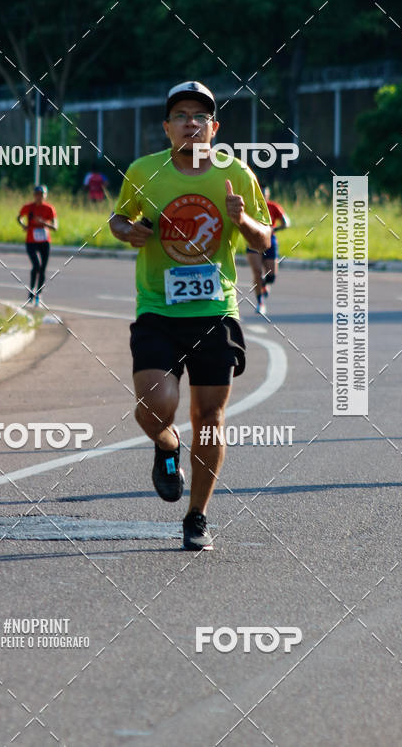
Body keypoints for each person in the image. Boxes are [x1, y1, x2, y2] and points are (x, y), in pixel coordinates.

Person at [109, 81, 271, 551]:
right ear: (166, 127)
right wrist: (128, 232)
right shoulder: (144, 171)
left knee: (209, 416)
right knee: (155, 406)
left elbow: (264, 239)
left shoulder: (236, 175)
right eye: (181, 114)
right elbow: (119, 218)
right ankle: (166, 447)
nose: (190, 123)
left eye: (200, 116)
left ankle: (197, 516)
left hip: (216, 311)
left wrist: (241, 221)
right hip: (158, 308)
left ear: (214, 128)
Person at [246, 186, 290, 316]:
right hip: (254, 243)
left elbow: (286, 222)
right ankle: (260, 303)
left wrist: (273, 230)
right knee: (257, 272)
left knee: (271, 276)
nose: (263, 197)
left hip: (270, 242)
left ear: (268, 195)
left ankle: (264, 284)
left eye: (265, 194)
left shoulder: (274, 207)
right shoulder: (250, 207)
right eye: (261, 194)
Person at [17, 185, 58, 305]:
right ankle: (31, 292)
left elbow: (55, 227)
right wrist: (23, 225)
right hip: (31, 241)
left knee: (43, 269)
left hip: (44, 242)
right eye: (37, 194)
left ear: (45, 195)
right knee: (36, 265)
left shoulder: (49, 208)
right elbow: (19, 217)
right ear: (34, 195)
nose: (39, 197)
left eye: (42, 194)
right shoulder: (28, 207)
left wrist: (44, 223)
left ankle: (38, 294)